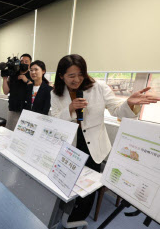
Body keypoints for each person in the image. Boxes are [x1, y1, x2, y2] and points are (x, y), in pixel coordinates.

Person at [50, 54, 160, 225]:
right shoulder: (56, 93)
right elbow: (55, 120)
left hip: (93, 147)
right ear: (61, 76)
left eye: (80, 74)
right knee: (68, 181)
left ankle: (77, 220)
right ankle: (64, 213)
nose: (77, 79)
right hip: (70, 145)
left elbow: (117, 110)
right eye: (71, 75)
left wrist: (129, 104)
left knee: (88, 188)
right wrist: (70, 108)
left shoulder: (98, 87)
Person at [2, 53, 33, 130]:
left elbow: (35, 90)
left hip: (27, 110)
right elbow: (6, 92)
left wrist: (26, 80)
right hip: (13, 108)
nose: (24, 63)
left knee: (23, 133)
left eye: (26, 61)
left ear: (30, 64)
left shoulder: (32, 75)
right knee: (9, 131)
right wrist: (5, 79)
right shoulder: (13, 75)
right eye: (22, 61)